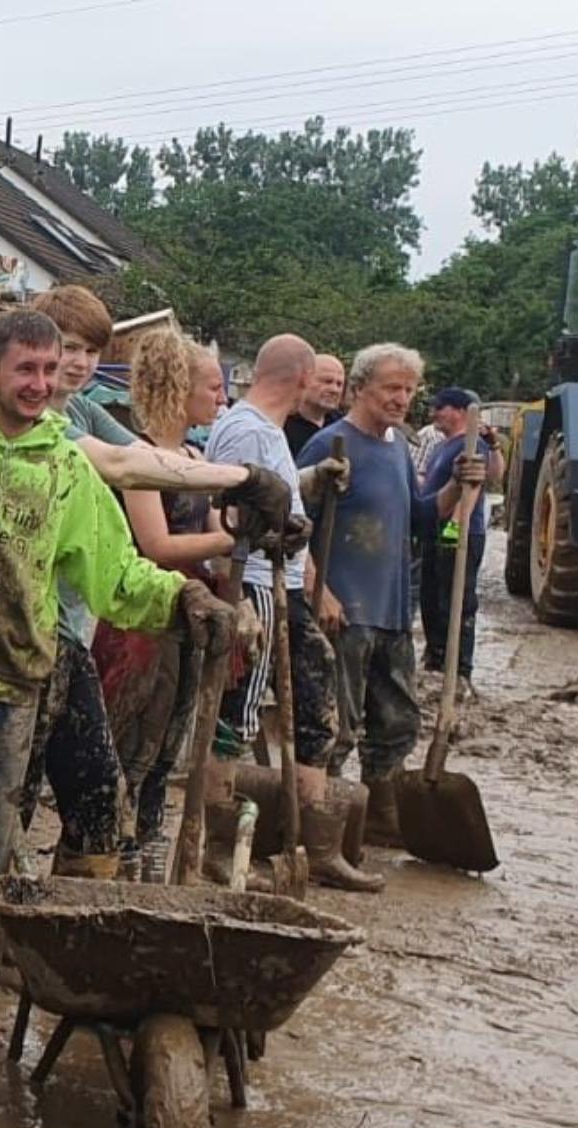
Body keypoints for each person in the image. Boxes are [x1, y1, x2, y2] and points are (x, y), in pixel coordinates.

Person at [0, 308, 233, 1039]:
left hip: (15, 687)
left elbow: (116, 574)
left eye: (46, 369)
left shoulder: (67, 469)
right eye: (22, 369)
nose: (37, 383)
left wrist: (183, 596)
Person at [20, 285, 288, 878]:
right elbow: (126, 466)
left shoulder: (84, 409)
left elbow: (162, 464)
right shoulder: (38, 422)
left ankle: (69, 912)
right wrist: (243, 476)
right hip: (24, 625)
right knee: (33, 784)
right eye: (68, 348)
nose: (80, 363)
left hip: (74, 620)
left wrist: (266, 495)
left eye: (91, 350)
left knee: (98, 787)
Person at [203, 334, 382, 892]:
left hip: (278, 584)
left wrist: (308, 485)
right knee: (235, 715)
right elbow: (230, 507)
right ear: (302, 377)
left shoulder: (264, 430)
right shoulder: (247, 429)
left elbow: (271, 492)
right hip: (254, 584)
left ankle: (313, 841)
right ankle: (215, 846)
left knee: (314, 688)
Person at [92, 329, 235, 877]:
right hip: (143, 622)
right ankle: (114, 850)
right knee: (135, 741)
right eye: (213, 387)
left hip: (190, 618)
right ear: (180, 387)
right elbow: (156, 545)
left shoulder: (196, 456)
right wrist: (228, 542)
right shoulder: (140, 458)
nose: (220, 400)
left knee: (172, 743)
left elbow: (221, 526)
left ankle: (149, 848)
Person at [299, 344, 431, 849]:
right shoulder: (330, 446)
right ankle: (322, 829)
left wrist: (457, 489)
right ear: (360, 389)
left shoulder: (399, 446)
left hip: (392, 609)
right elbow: (293, 526)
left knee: (399, 720)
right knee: (339, 725)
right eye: (391, 389)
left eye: (409, 389)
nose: (402, 398)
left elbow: (418, 516)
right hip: (344, 612)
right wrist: (319, 588)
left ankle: (378, 814)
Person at [420, 387, 505, 687]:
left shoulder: (471, 444)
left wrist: (456, 529)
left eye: (439, 408)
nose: (433, 414)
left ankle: (459, 670)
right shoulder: (444, 445)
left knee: (455, 599)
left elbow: (477, 486)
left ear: (458, 411)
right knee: (430, 598)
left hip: (456, 532)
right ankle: (436, 659)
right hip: (435, 529)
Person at [284, 353, 344, 460]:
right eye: (327, 381)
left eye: (339, 384)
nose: (335, 390)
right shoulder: (281, 424)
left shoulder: (343, 425)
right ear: (304, 380)